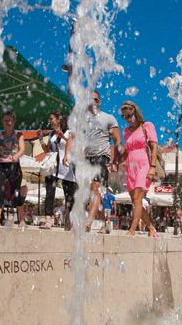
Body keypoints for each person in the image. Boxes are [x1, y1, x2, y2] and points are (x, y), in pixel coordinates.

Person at [65, 90, 121, 231]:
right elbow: (73, 136)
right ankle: (104, 223)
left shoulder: (108, 118)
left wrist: (115, 160)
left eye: (95, 99)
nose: (92, 102)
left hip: (102, 157)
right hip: (86, 158)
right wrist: (68, 154)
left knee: (95, 188)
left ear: (99, 102)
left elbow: (117, 140)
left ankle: (88, 223)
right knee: (88, 191)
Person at [118, 100, 159, 237]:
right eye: (124, 117)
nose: (127, 119)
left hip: (144, 165)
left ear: (136, 112)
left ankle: (132, 230)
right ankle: (151, 228)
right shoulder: (126, 131)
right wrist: (116, 162)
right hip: (130, 167)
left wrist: (152, 167)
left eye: (129, 115)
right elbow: (127, 151)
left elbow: (154, 147)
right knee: (136, 201)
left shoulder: (147, 126)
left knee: (138, 197)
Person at [37, 111, 76, 230]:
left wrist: (62, 136)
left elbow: (73, 145)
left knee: (69, 196)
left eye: (52, 118)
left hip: (66, 167)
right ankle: (48, 220)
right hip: (53, 167)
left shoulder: (70, 132)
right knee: (49, 193)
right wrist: (40, 139)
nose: (50, 121)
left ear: (59, 119)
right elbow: (47, 150)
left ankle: (69, 222)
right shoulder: (51, 134)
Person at [0, 112, 26, 226]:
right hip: (0, 165)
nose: (8, 123)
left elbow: (22, 149)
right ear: (2, 122)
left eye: (10, 120)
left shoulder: (18, 135)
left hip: (14, 166)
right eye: (5, 120)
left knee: (16, 192)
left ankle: (21, 219)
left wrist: (16, 156)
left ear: (13, 122)